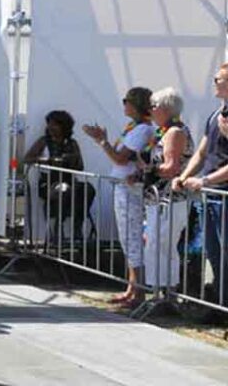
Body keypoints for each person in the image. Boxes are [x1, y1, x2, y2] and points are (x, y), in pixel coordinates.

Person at [83, 87, 154, 307]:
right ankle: (131, 287)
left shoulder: (142, 130)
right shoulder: (134, 128)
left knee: (132, 238)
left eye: (127, 100)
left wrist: (102, 141)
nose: (123, 104)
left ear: (136, 104)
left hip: (130, 190)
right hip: (124, 188)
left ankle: (138, 291)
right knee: (127, 238)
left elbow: (121, 159)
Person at [174, 64, 228, 306]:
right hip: (210, 196)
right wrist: (184, 176)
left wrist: (205, 180)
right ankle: (220, 303)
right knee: (215, 255)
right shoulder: (216, 115)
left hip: (222, 193)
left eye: (218, 79)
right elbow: (202, 151)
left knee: (225, 254)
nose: (214, 82)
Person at [133, 88, 193, 290]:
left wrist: (146, 168)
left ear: (166, 109)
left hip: (169, 199)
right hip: (158, 199)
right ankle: (158, 290)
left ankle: (167, 292)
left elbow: (172, 168)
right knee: (154, 244)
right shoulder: (163, 131)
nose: (150, 109)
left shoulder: (175, 132)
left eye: (154, 106)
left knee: (163, 246)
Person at [24, 110, 94, 244]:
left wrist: (70, 161)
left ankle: (77, 225)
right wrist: (48, 161)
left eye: (55, 124)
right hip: (48, 183)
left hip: (68, 180)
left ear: (64, 126)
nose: (51, 127)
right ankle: (57, 227)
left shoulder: (72, 143)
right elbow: (27, 158)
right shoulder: (44, 141)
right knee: (64, 189)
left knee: (88, 189)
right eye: (49, 124)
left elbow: (80, 167)